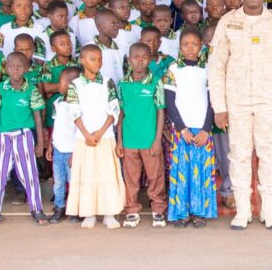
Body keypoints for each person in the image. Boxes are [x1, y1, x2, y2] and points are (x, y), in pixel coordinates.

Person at [208, 0, 272, 230]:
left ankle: (269, 209)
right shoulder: (228, 21)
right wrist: (219, 107)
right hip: (236, 101)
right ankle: (243, 210)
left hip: (269, 101)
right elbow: (216, 66)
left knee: (270, 155)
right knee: (239, 155)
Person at [65, 45, 126, 230]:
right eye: (92, 59)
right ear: (82, 60)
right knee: (87, 175)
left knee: (107, 174)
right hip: (84, 139)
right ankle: (89, 213)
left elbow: (114, 109)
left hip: (105, 137)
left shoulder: (107, 82)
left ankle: (109, 213)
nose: (97, 62)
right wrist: (86, 135)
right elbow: (74, 112)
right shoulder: (75, 85)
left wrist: (100, 133)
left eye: (99, 59)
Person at [0, 51, 48, 226]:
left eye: (19, 66)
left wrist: (40, 144)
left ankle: (37, 210)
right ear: (6, 68)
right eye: (11, 66)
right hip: (3, 137)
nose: (15, 70)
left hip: (24, 135)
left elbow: (37, 116)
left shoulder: (32, 90)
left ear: (27, 68)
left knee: (29, 173)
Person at [163, 28, 216, 228]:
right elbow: (170, 102)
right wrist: (182, 128)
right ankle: (181, 212)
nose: (190, 48)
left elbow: (213, 101)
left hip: (202, 129)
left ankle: (199, 212)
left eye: (194, 44)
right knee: (181, 171)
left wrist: (206, 129)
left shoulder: (208, 69)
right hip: (181, 130)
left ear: (201, 46)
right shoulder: (173, 70)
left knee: (201, 172)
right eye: (185, 44)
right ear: (180, 46)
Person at [118, 43, 167, 228]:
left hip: (149, 140)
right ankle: (131, 210)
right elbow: (121, 114)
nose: (140, 61)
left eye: (144, 58)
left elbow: (161, 111)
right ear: (129, 60)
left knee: (155, 176)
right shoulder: (123, 84)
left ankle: (158, 210)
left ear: (150, 60)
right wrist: (120, 141)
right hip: (130, 140)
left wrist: (157, 140)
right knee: (131, 177)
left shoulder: (155, 82)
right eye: (135, 57)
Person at [46, 67, 80, 224]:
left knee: (74, 182)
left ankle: (74, 209)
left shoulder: (78, 106)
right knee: (58, 182)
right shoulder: (58, 102)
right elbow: (56, 126)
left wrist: (76, 152)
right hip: (58, 150)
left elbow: (78, 130)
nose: (59, 85)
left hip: (72, 151)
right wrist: (50, 146)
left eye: (62, 82)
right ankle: (59, 207)